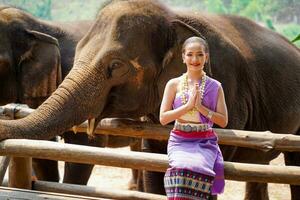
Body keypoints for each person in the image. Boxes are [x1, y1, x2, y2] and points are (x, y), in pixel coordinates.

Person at [160, 36, 228, 200]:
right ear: (183, 57)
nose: (194, 59)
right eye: (190, 54)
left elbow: (223, 121)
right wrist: (188, 106)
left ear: (207, 56)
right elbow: (163, 118)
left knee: (197, 166)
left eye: (199, 54)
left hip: (204, 141)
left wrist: (201, 108)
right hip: (179, 140)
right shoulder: (173, 84)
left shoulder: (215, 86)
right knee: (183, 166)